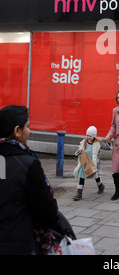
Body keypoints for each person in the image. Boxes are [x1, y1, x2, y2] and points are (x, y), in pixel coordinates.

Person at [0, 105, 58, 255]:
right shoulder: (27, 164)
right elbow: (48, 211)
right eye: (27, 126)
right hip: (18, 244)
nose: (30, 131)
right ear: (17, 131)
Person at [73, 126, 111, 201]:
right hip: (85, 163)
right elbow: (78, 151)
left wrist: (108, 142)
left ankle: (100, 186)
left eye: (90, 136)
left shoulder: (98, 143)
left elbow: (107, 147)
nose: (88, 137)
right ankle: (79, 193)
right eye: (87, 135)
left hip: (93, 163)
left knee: (95, 176)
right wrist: (79, 150)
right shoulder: (84, 142)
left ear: (94, 136)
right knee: (81, 176)